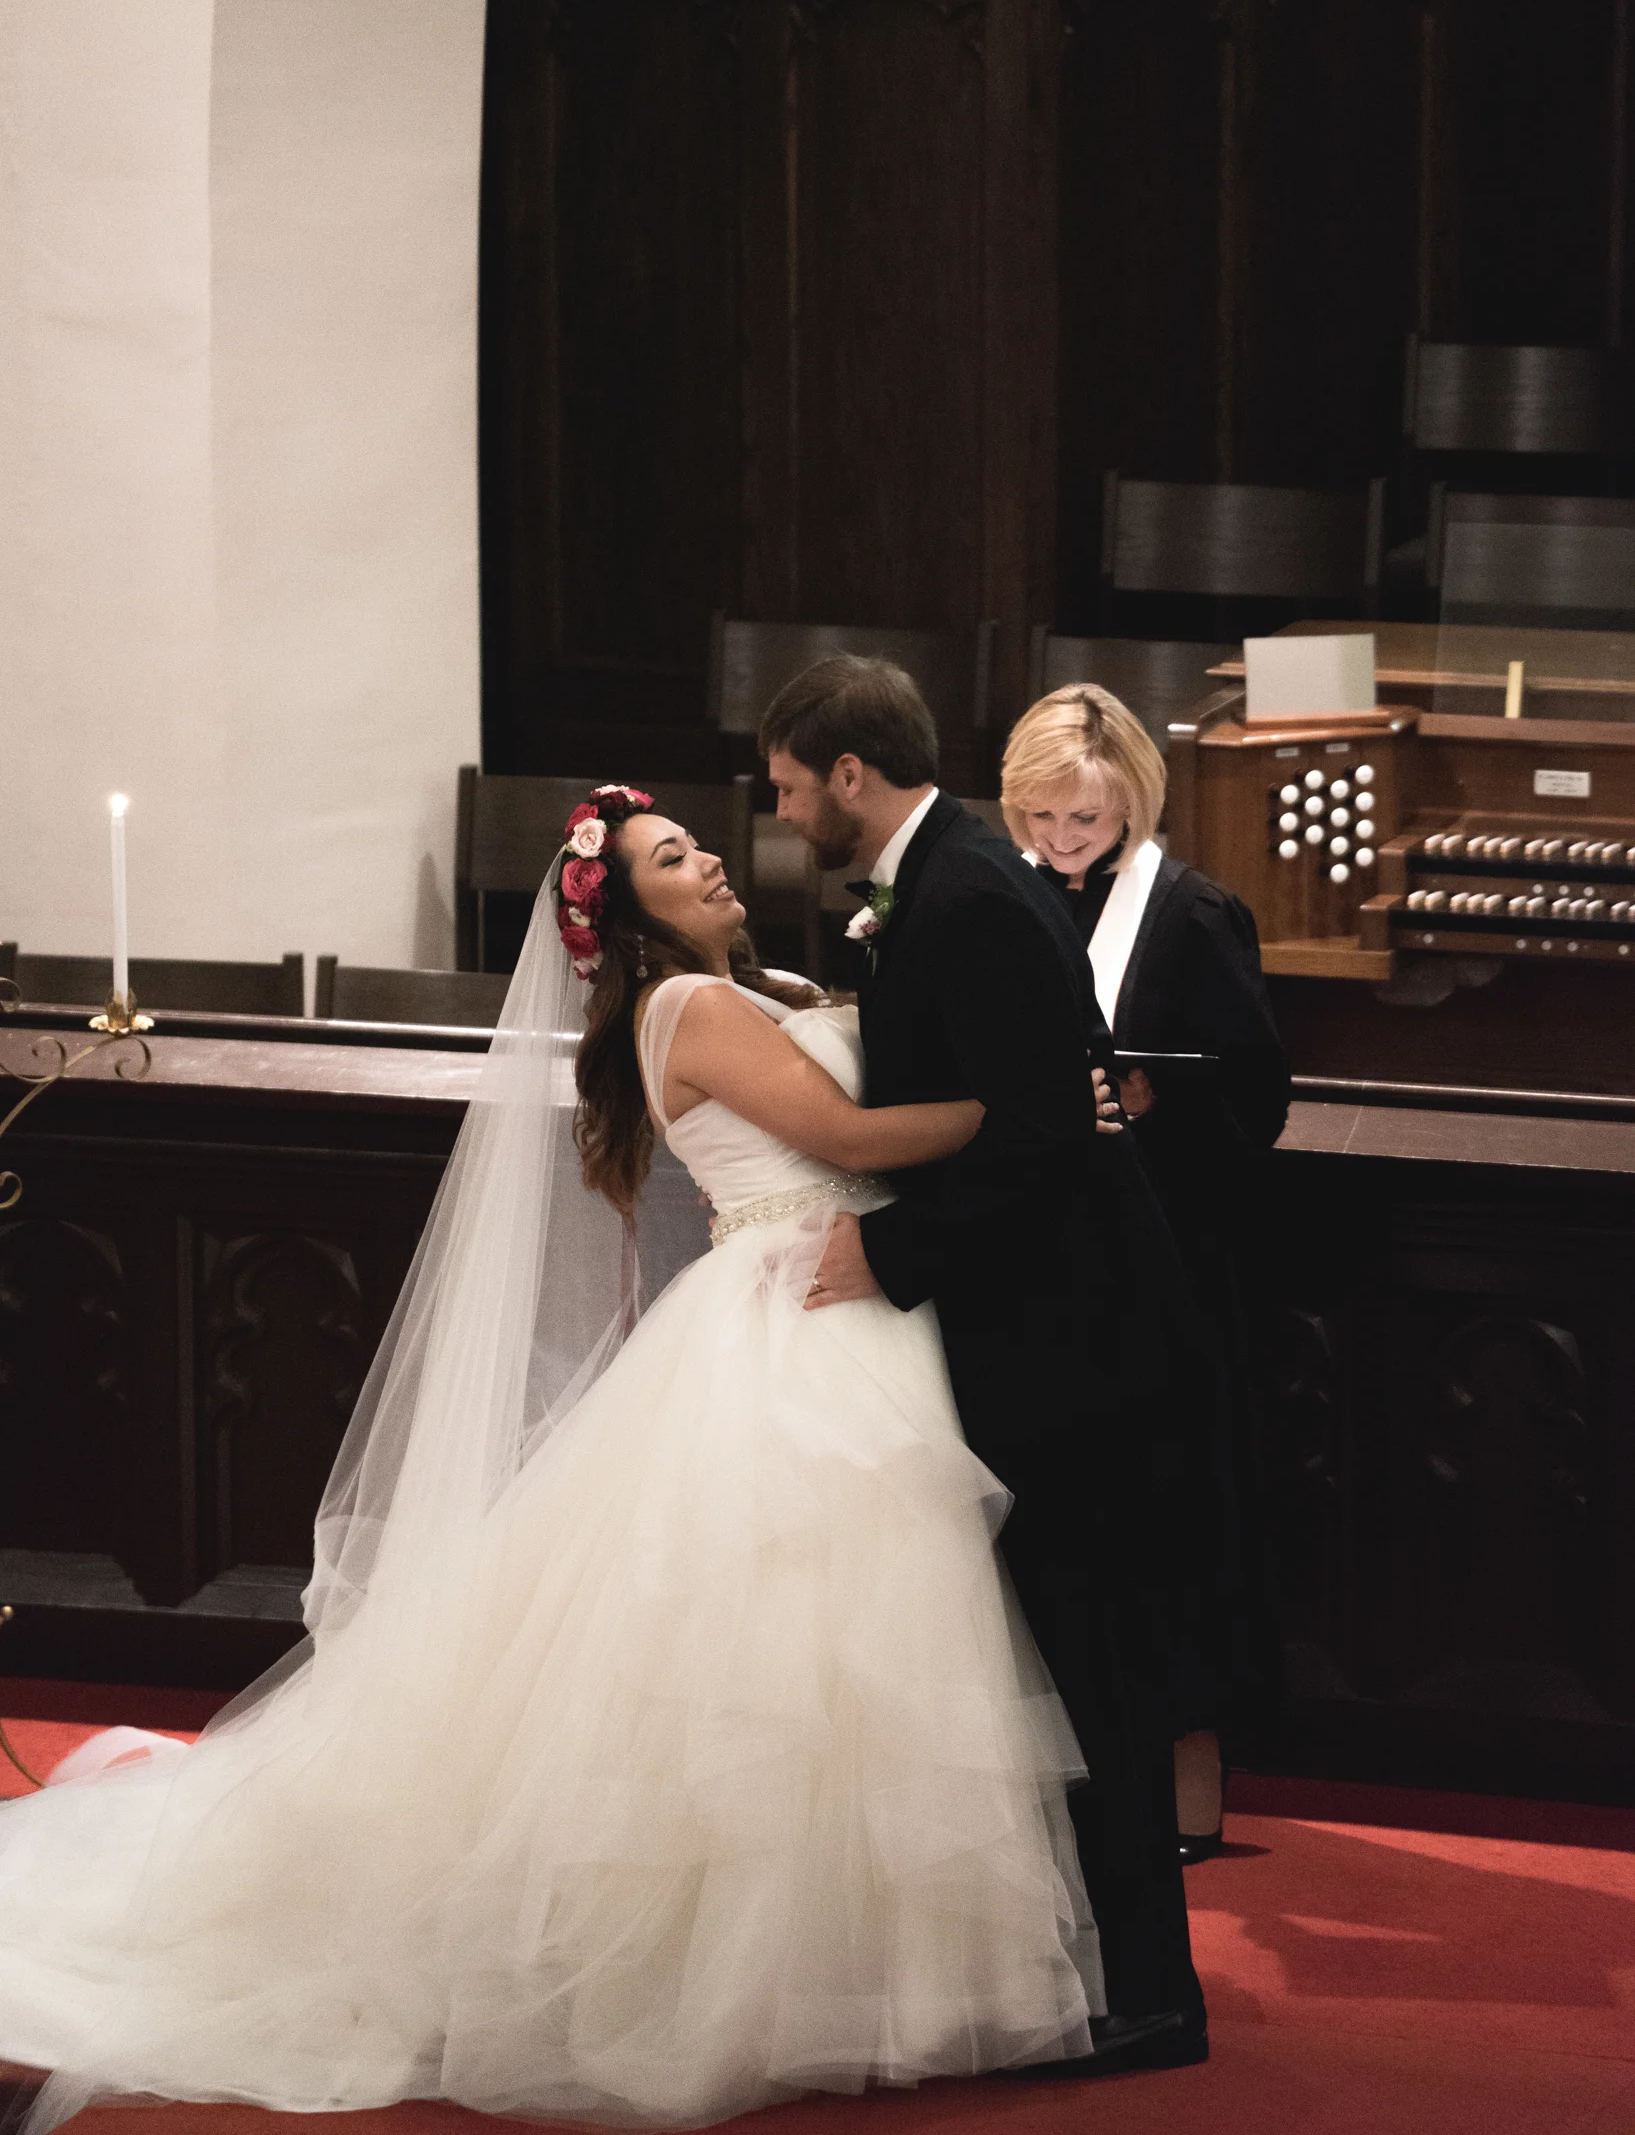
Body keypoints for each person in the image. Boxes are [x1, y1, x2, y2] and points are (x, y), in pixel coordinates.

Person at [0, 783, 1116, 2132]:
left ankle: (864, 1970)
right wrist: (1034, 1112)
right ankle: (724, 1974)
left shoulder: (759, 987)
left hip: (850, 1304)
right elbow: (849, 1139)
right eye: (673, 858)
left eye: (697, 843)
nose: (711, 859)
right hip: (789, 1316)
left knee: (859, 1647)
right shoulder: (687, 1006)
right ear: (631, 920)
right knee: (777, 1659)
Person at [764, 657, 1209, 2080]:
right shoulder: (942, 879)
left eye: (790, 787)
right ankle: (1102, 1971)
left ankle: (1152, 1997)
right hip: (1042, 1325)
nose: (785, 815)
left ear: (849, 774)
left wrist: (887, 1256)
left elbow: (1041, 1135)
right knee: (1064, 1664)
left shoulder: (961, 894)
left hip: (1076, 1340)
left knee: (1094, 1670)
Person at [999, 681, 1291, 1861]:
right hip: (1045, 1265)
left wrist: (1159, 1097)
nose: (1065, 840)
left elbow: (1259, 1098)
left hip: (1169, 1267)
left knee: (1174, 1533)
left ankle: (1190, 1795)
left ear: (1133, 803)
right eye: (1043, 819)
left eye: (1087, 819)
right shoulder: (1006, 897)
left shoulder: (1193, 916)